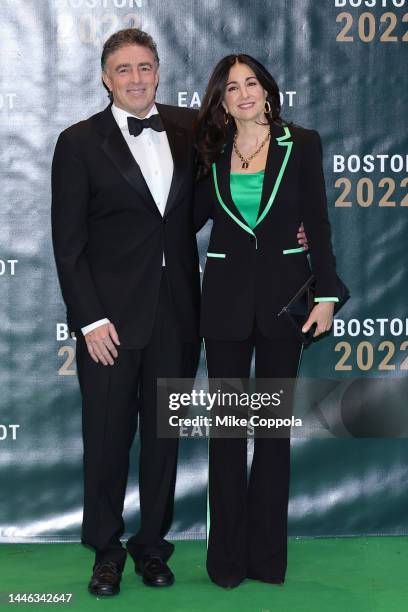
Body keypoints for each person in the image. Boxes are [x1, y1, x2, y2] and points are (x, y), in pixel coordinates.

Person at [51, 28, 201, 595]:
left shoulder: (188, 130)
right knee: (108, 439)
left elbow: (222, 195)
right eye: (124, 69)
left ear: (158, 71)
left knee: (164, 440)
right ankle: (106, 551)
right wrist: (89, 319)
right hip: (109, 324)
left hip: (179, 316)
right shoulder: (79, 142)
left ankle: (152, 548)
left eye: (145, 67)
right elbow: (68, 244)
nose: (136, 78)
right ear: (105, 78)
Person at [194, 54, 338, 589]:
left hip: (286, 308)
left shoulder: (301, 144)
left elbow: (318, 222)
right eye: (232, 87)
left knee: (272, 438)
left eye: (251, 82)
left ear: (267, 90)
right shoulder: (208, 151)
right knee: (227, 436)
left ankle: (266, 561)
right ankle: (226, 563)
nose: (244, 93)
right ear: (222, 101)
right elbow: (185, 220)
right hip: (225, 308)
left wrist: (325, 293)